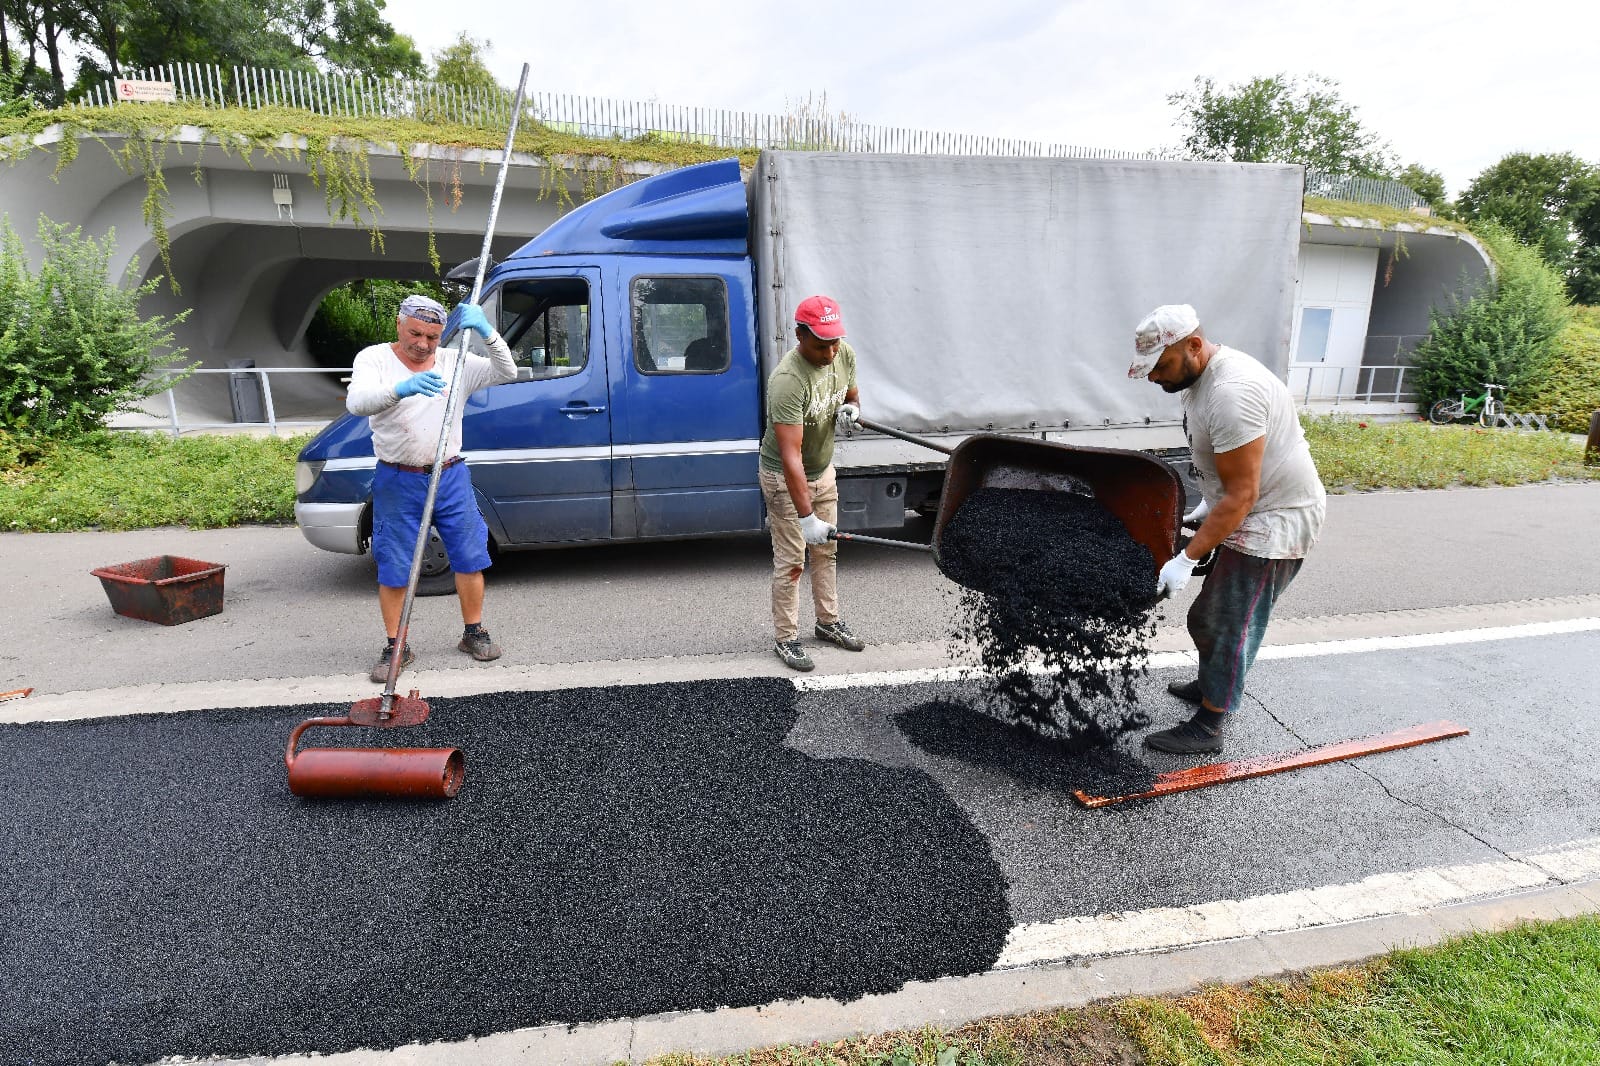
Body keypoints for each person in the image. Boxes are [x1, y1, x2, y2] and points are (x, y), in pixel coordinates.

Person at [1128, 304, 1326, 754]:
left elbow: (1243, 495)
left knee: (1227, 621)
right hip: (1248, 506)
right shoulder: (1198, 378)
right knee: (1209, 616)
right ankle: (1210, 683)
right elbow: (1224, 470)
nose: (1155, 378)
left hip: (1274, 520)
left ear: (1194, 346)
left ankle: (1210, 725)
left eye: (1160, 366)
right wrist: (1205, 506)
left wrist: (1186, 558)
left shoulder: (1233, 393)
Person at [346, 293, 518, 683]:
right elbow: (357, 403)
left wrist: (488, 333)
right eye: (415, 333)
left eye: (432, 337)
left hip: (450, 473)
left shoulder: (457, 363)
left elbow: (507, 372)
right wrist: (401, 389)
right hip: (397, 476)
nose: (423, 344)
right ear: (399, 324)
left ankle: (473, 632)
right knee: (394, 565)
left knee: (470, 556)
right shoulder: (374, 359)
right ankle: (396, 644)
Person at [758, 295, 868, 672]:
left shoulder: (844, 354)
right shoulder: (788, 381)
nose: (831, 351)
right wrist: (806, 518)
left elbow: (850, 395)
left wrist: (852, 409)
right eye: (821, 344)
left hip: (822, 471)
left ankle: (828, 622)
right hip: (784, 477)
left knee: (827, 551)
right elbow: (791, 457)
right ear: (799, 335)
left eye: (835, 341)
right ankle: (787, 638)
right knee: (792, 561)